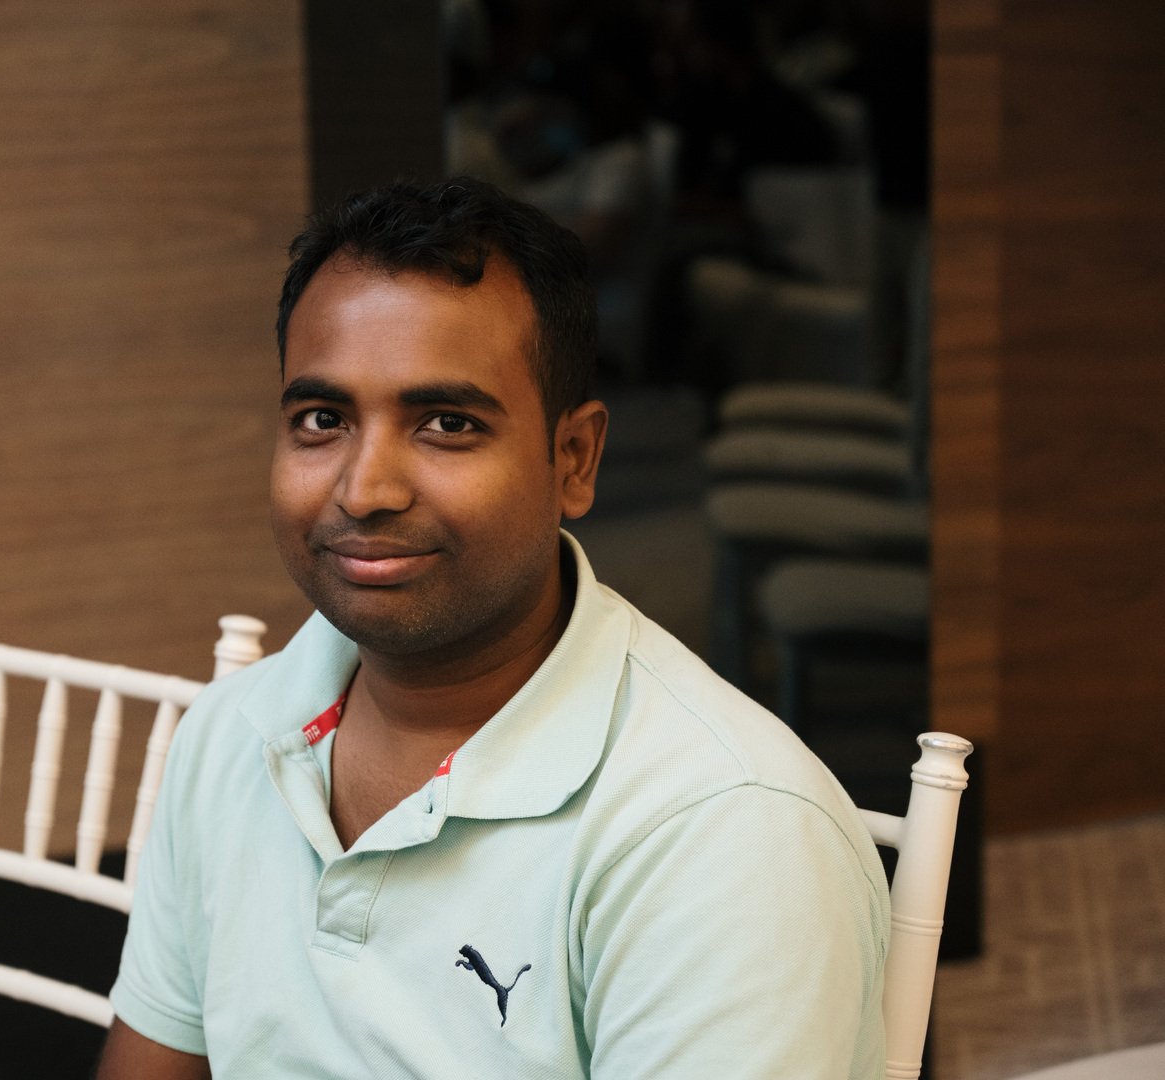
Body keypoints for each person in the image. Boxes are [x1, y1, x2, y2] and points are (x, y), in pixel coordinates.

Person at [96, 177, 889, 1079]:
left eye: (446, 424)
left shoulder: (722, 835)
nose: (364, 490)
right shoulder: (232, 733)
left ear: (573, 460)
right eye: (322, 419)